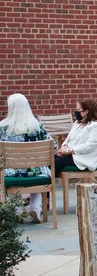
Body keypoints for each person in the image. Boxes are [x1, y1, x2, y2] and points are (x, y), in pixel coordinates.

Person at [0, 94, 55, 223]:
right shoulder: (37, 126)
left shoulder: (2, 127)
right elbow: (53, 146)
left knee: (7, 171)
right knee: (39, 170)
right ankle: (35, 208)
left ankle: (18, 209)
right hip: (36, 172)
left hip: (12, 172)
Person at [55, 99, 97, 178]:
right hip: (72, 155)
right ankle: (46, 187)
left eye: (78, 110)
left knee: (55, 163)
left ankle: (46, 187)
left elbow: (89, 146)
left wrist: (69, 151)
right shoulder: (77, 123)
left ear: (86, 111)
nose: (76, 112)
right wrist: (63, 149)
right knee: (49, 160)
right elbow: (68, 139)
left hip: (85, 158)